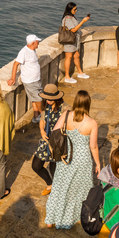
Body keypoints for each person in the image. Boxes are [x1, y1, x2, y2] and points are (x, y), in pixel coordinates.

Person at [45, 90, 101, 229]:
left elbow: (54, 133)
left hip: (65, 157)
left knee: (59, 187)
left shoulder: (66, 115)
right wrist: (98, 164)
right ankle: (73, 216)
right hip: (82, 161)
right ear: (88, 104)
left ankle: (50, 219)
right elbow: (93, 147)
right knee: (78, 190)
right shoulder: (92, 123)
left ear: (75, 101)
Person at [32, 83, 64, 196]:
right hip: (45, 141)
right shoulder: (47, 106)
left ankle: (55, 188)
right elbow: (42, 120)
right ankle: (50, 183)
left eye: (50, 99)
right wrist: (41, 130)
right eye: (46, 98)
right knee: (36, 166)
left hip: (57, 143)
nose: (48, 101)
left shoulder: (64, 109)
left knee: (54, 168)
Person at [7, 34, 44, 124]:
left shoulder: (33, 50)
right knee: (39, 99)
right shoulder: (24, 52)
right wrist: (13, 78)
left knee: (34, 99)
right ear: (33, 43)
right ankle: (43, 115)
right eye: (37, 42)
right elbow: (15, 64)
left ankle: (36, 117)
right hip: (30, 81)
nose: (38, 43)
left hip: (35, 79)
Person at [61, 2, 91, 84]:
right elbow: (73, 30)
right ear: (70, 10)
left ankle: (80, 72)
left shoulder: (72, 17)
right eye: (74, 9)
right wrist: (83, 21)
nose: (76, 10)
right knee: (69, 57)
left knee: (76, 55)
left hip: (74, 40)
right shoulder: (67, 18)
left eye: (76, 9)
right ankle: (67, 77)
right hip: (69, 40)